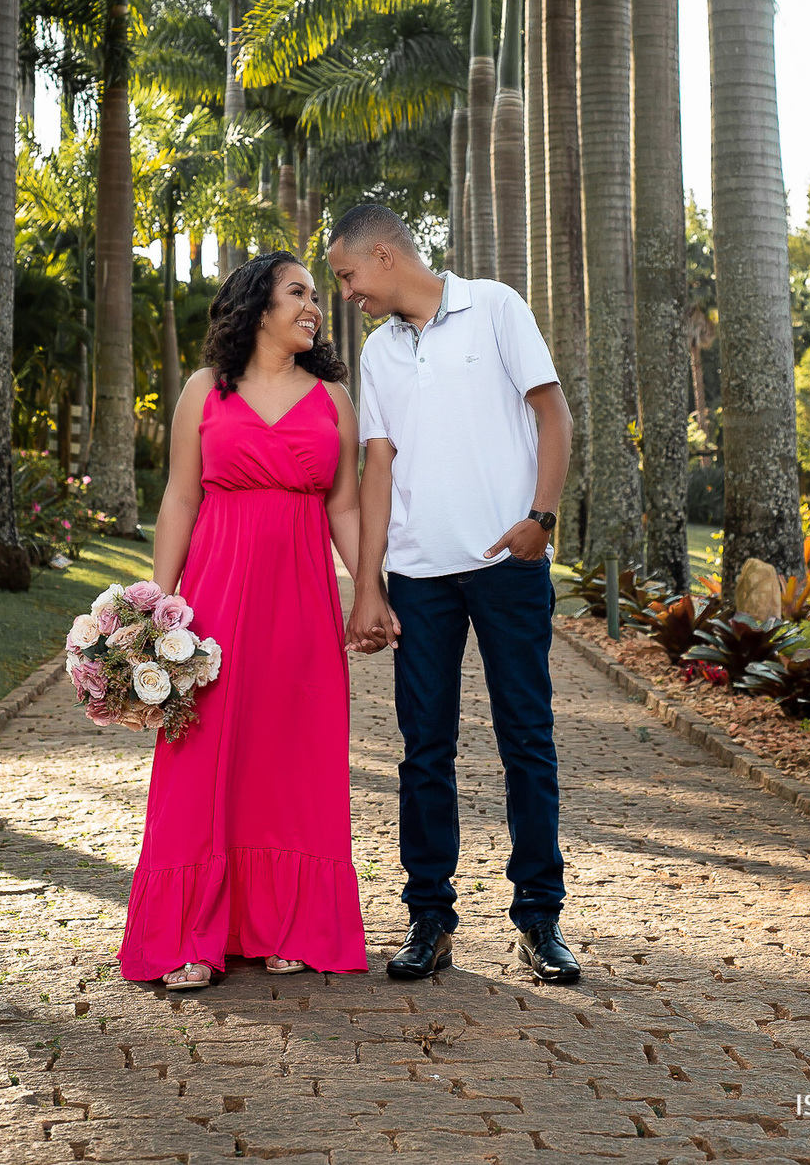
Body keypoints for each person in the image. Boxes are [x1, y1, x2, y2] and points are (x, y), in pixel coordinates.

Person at [327, 204, 579, 985]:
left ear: (382, 254)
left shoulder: (495, 306)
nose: (345, 294)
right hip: (418, 575)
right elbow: (378, 467)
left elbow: (553, 413)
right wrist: (367, 582)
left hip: (506, 565)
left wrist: (541, 518)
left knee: (526, 740)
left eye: (346, 276)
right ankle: (428, 918)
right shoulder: (378, 352)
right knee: (423, 751)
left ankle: (540, 920)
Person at [118, 252, 368, 987]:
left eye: (317, 296)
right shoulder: (205, 390)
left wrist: (371, 594)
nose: (314, 306)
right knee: (202, 756)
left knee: (294, 754)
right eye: (298, 292)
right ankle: (194, 937)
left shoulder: (332, 400)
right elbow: (179, 500)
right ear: (259, 304)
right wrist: (154, 612)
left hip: (302, 602)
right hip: (216, 602)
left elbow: (344, 507)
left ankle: (287, 923)